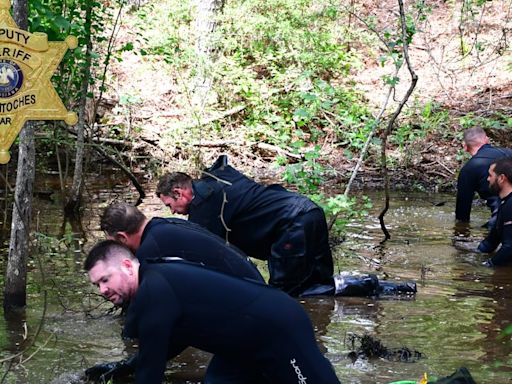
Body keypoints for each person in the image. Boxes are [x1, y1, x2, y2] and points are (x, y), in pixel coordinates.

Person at [84, 240, 341, 384]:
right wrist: (122, 367)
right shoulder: (156, 281)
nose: (102, 290)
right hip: (240, 346)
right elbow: (169, 345)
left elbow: (150, 373)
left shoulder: (154, 292)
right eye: (97, 285)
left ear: (128, 266)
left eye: (105, 280)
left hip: (279, 328)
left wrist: (134, 369)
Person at [156, 155, 334, 296]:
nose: (172, 212)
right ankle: (354, 291)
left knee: (280, 296)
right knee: (320, 283)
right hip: (311, 211)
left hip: (292, 224)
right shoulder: (218, 181)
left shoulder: (205, 204)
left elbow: (203, 255)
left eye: (169, 205)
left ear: (179, 193)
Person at [99, 202, 263, 282]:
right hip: (254, 283)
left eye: (114, 244)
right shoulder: (164, 224)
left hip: (246, 296)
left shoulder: (150, 252)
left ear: (122, 237)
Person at [455, 127, 512, 227]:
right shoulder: (509, 153)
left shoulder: (468, 169)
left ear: (465, 147)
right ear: (487, 140)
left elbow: (462, 212)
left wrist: (461, 230)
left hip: (501, 218)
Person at [477, 157, 512, 266]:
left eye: (490, 175)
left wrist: (488, 265)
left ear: (501, 178)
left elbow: (510, 247)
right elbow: (492, 240)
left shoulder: (510, 205)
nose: (488, 179)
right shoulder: (505, 203)